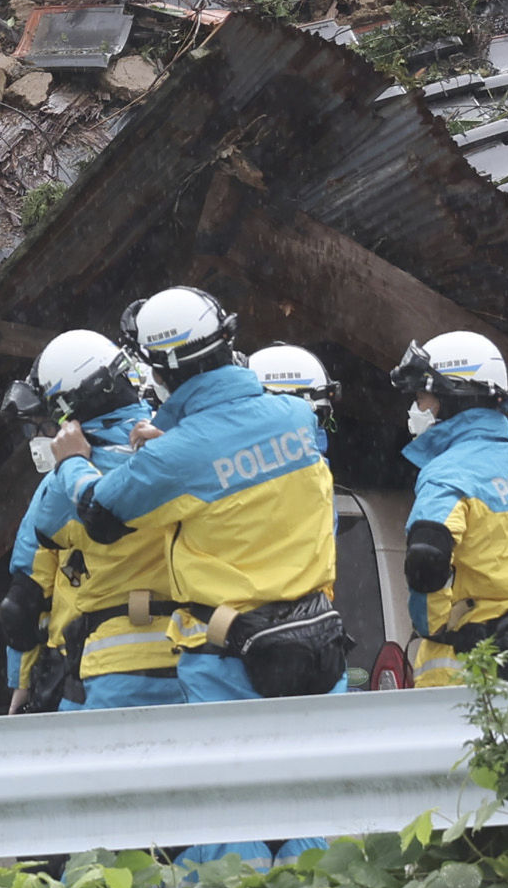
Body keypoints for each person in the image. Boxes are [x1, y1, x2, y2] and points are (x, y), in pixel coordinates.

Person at [79, 288, 344, 701]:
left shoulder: (175, 455)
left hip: (229, 662)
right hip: (318, 647)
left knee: (232, 768)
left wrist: (70, 462)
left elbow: (101, 516)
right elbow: (236, 458)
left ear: (162, 371)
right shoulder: (297, 418)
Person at [390, 333, 508, 681]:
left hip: (463, 669)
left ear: (453, 398)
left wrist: (434, 626)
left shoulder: (447, 473)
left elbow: (426, 557)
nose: (415, 411)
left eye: (422, 398)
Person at [3, 331, 168, 711]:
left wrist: (22, 683)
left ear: (67, 411)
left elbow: (22, 603)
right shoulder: (179, 448)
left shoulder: (61, 485)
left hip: (105, 670)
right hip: (197, 654)